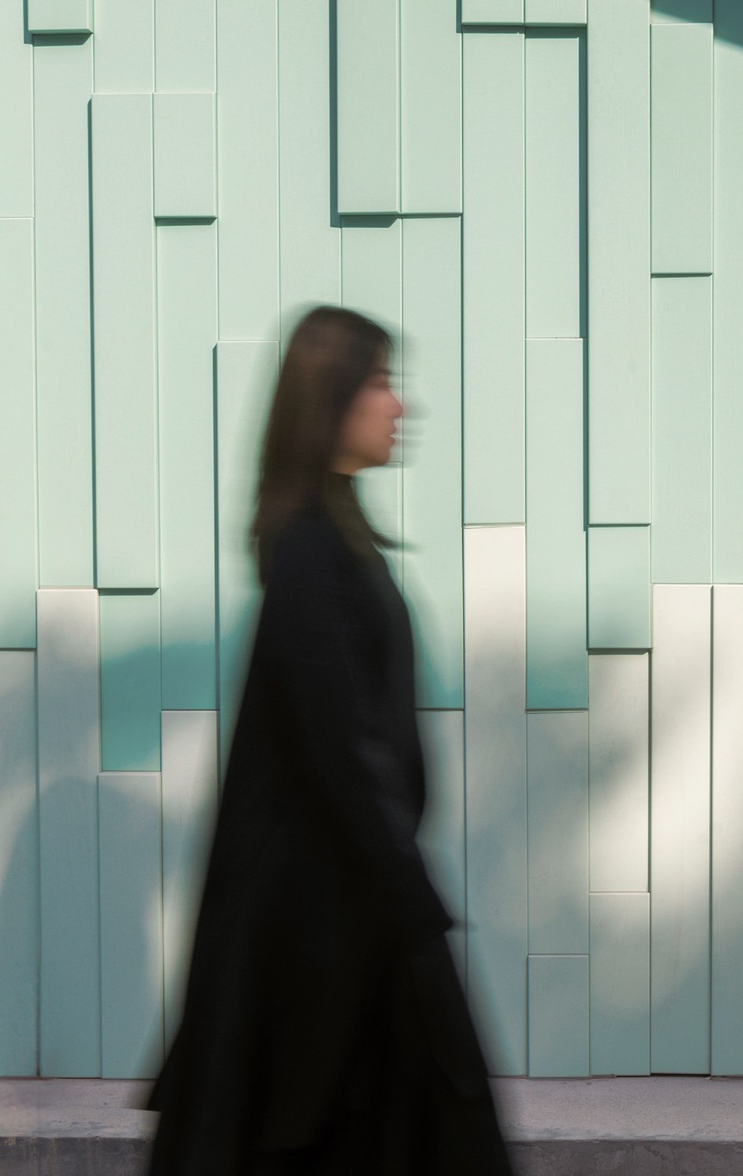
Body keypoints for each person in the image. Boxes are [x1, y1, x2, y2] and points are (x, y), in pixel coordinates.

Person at [148, 306, 511, 1176]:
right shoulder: (312, 552)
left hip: (351, 919)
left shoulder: (333, 539)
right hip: (333, 929)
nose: (401, 405)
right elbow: (343, 749)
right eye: (381, 382)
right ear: (333, 400)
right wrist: (415, 901)